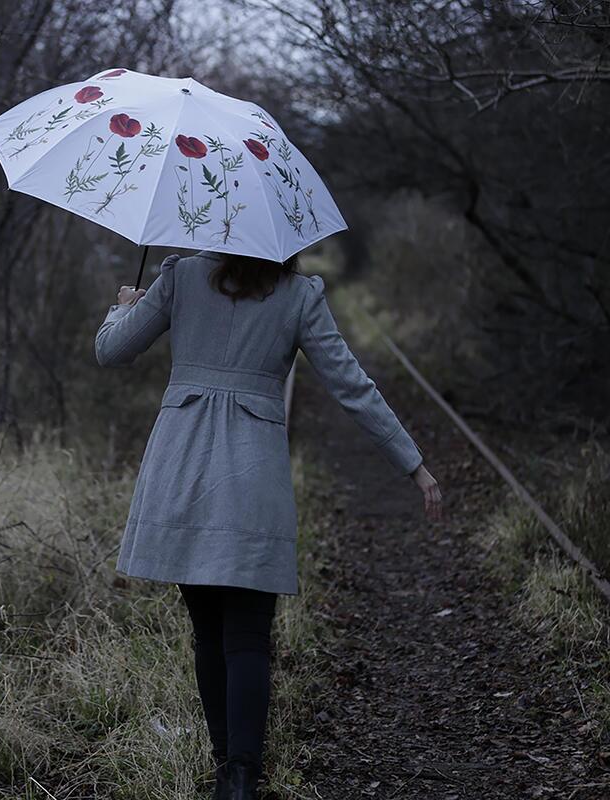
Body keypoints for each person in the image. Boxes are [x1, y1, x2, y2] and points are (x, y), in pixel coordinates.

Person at [95, 249, 443, 799]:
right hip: (252, 477)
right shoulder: (298, 296)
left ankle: (223, 770)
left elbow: (111, 351)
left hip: (182, 468)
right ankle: (241, 778)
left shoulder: (182, 276)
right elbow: (351, 385)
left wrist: (122, 309)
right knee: (249, 635)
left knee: (208, 631)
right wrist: (413, 464)